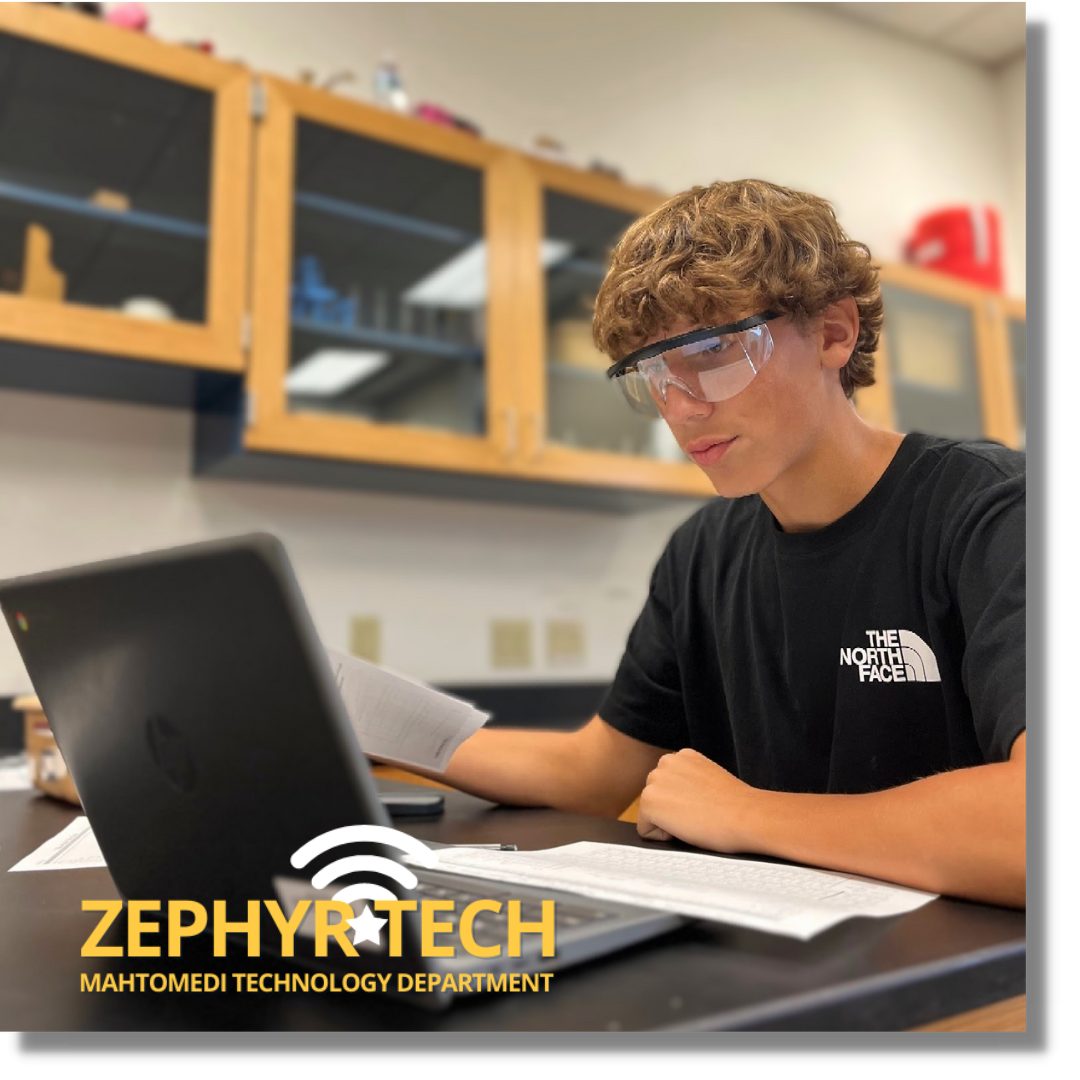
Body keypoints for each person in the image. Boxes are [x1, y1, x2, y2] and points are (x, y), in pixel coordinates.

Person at [390, 180, 1026, 910]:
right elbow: (593, 770)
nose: (682, 408)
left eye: (714, 353)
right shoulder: (703, 552)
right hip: (786, 958)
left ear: (833, 333)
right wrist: (375, 729)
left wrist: (748, 813)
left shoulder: (991, 511)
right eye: (654, 374)